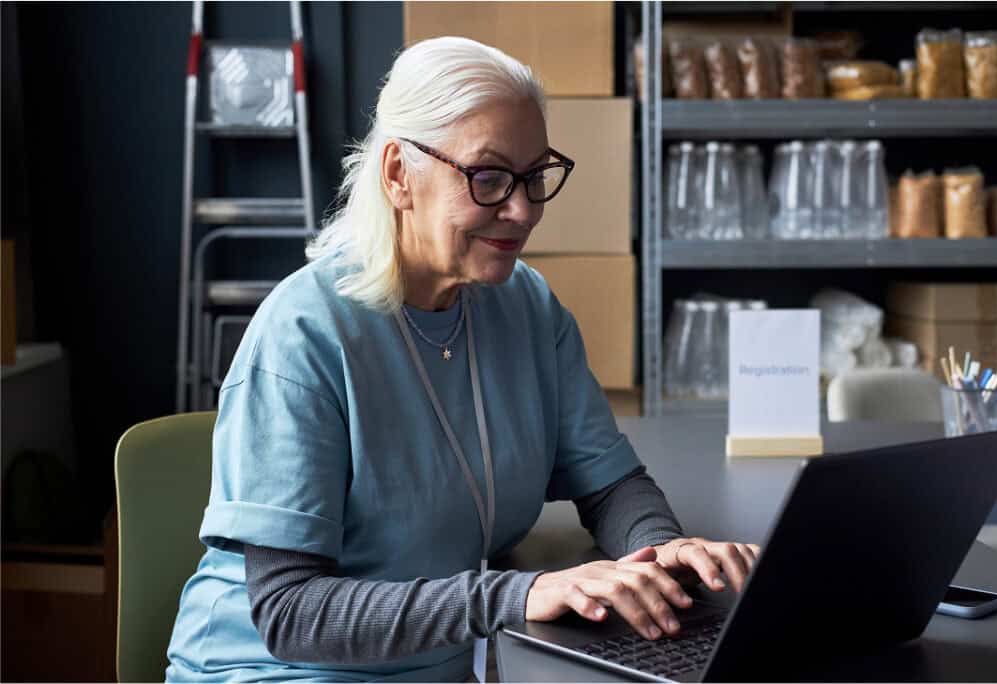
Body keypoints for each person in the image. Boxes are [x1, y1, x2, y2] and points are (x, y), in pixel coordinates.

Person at [165, 36, 760, 682]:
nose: (524, 209)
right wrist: (517, 594)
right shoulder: (305, 335)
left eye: (535, 176)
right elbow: (289, 612)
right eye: (489, 177)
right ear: (398, 175)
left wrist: (661, 552)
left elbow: (611, 483)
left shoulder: (527, 307)